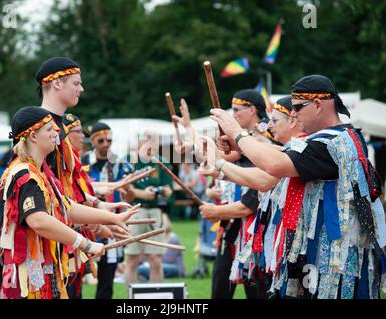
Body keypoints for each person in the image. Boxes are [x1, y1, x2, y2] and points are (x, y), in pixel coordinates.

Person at [210, 75, 385, 299]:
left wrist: (237, 133)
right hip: (321, 258)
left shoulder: (329, 143)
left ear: (319, 105)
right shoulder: (340, 137)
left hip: (335, 263)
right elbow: (282, 154)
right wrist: (239, 146)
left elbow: (274, 166)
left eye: (298, 108)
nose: (293, 115)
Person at [0, 107, 139, 299]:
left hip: (33, 271)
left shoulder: (38, 173)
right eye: (49, 129)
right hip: (21, 274)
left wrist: (112, 218)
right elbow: (39, 221)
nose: (56, 132)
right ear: (33, 137)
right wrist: (85, 244)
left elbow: (66, 206)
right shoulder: (25, 175)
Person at [35, 57, 133, 298]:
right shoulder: (40, 129)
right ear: (57, 84)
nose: (82, 88)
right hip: (43, 242)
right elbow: (47, 199)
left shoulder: (57, 129)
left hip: (62, 235)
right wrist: (99, 221)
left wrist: (98, 206)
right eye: (76, 83)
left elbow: (64, 190)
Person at [199, 96, 307, 298]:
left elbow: (260, 185)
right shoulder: (288, 149)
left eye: (274, 121)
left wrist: (222, 163)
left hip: (286, 240)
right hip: (260, 238)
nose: (270, 126)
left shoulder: (301, 148)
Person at [174, 90, 269, 299]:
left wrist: (216, 210)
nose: (232, 115)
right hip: (231, 230)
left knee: (256, 290)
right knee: (220, 287)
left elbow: (248, 204)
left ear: (252, 110)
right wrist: (189, 129)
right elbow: (216, 157)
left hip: (257, 232)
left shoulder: (264, 141)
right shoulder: (244, 142)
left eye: (236, 110)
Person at [81, 121, 135, 299]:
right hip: (84, 225)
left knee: (107, 277)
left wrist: (129, 190)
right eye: (101, 140)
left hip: (111, 224)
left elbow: (130, 197)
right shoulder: (82, 162)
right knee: (75, 275)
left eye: (109, 140)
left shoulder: (120, 164)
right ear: (93, 141)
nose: (105, 144)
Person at [124, 129, 173, 286]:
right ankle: (131, 297)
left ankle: (157, 297)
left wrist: (164, 191)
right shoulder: (130, 160)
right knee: (132, 258)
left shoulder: (161, 161)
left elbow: (169, 189)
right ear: (140, 143)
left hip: (155, 211)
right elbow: (123, 187)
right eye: (149, 142)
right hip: (135, 210)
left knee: (156, 258)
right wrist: (142, 193)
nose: (152, 146)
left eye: (155, 142)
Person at [137, 214, 185, 279]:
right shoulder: (151, 238)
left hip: (173, 267)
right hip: (153, 264)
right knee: (137, 267)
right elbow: (142, 260)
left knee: (141, 269)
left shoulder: (172, 238)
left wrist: (151, 256)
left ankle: (145, 276)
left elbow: (168, 259)